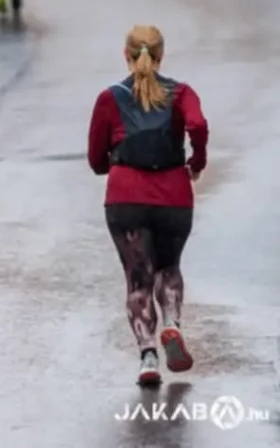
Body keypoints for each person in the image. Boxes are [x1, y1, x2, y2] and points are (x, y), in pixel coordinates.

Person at [87, 25, 209, 387]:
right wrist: (197, 160)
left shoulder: (110, 99)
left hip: (126, 199)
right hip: (174, 196)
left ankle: (148, 357)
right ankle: (171, 323)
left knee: (138, 279)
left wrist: (109, 164)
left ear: (126, 55)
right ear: (161, 56)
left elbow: (96, 159)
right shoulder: (182, 93)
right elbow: (198, 124)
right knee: (168, 267)